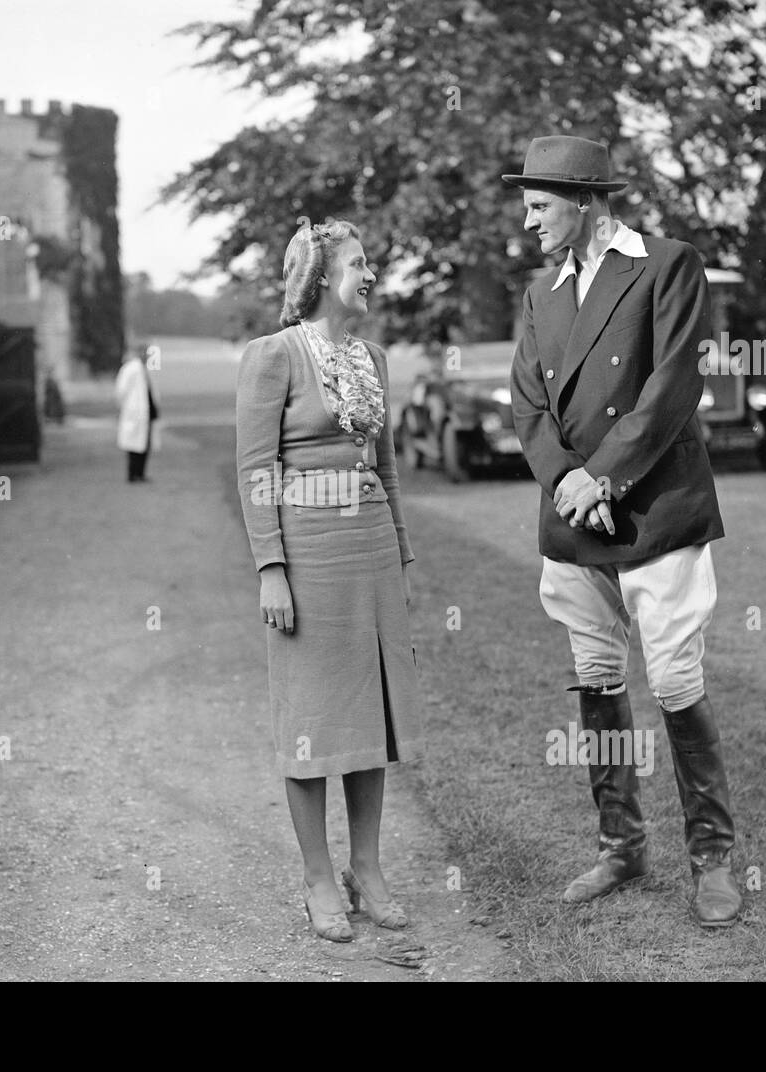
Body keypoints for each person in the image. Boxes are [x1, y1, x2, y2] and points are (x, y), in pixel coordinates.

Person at [503, 136, 743, 927]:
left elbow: (674, 384)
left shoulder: (669, 262)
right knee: (598, 679)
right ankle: (621, 844)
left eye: (540, 207)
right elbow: (529, 407)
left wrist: (602, 476)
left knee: (674, 682)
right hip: (575, 518)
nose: (529, 222)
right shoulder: (542, 296)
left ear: (586, 202)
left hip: (654, 505)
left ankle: (712, 858)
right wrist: (571, 483)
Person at [235, 219, 425, 942]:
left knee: (369, 715)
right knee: (313, 718)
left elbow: (388, 468)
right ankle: (318, 879)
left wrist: (401, 556)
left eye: (372, 261)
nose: (372, 274)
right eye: (358, 263)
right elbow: (256, 472)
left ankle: (367, 870)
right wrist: (271, 570)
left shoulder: (373, 356)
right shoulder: (273, 357)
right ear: (318, 278)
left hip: (371, 550)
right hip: (308, 554)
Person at [114, 345, 159, 482]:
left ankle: (140, 473)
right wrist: (126, 408)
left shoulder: (143, 369)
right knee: (134, 445)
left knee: (143, 445)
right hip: (134, 412)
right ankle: (133, 474)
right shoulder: (131, 369)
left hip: (144, 413)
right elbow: (121, 391)